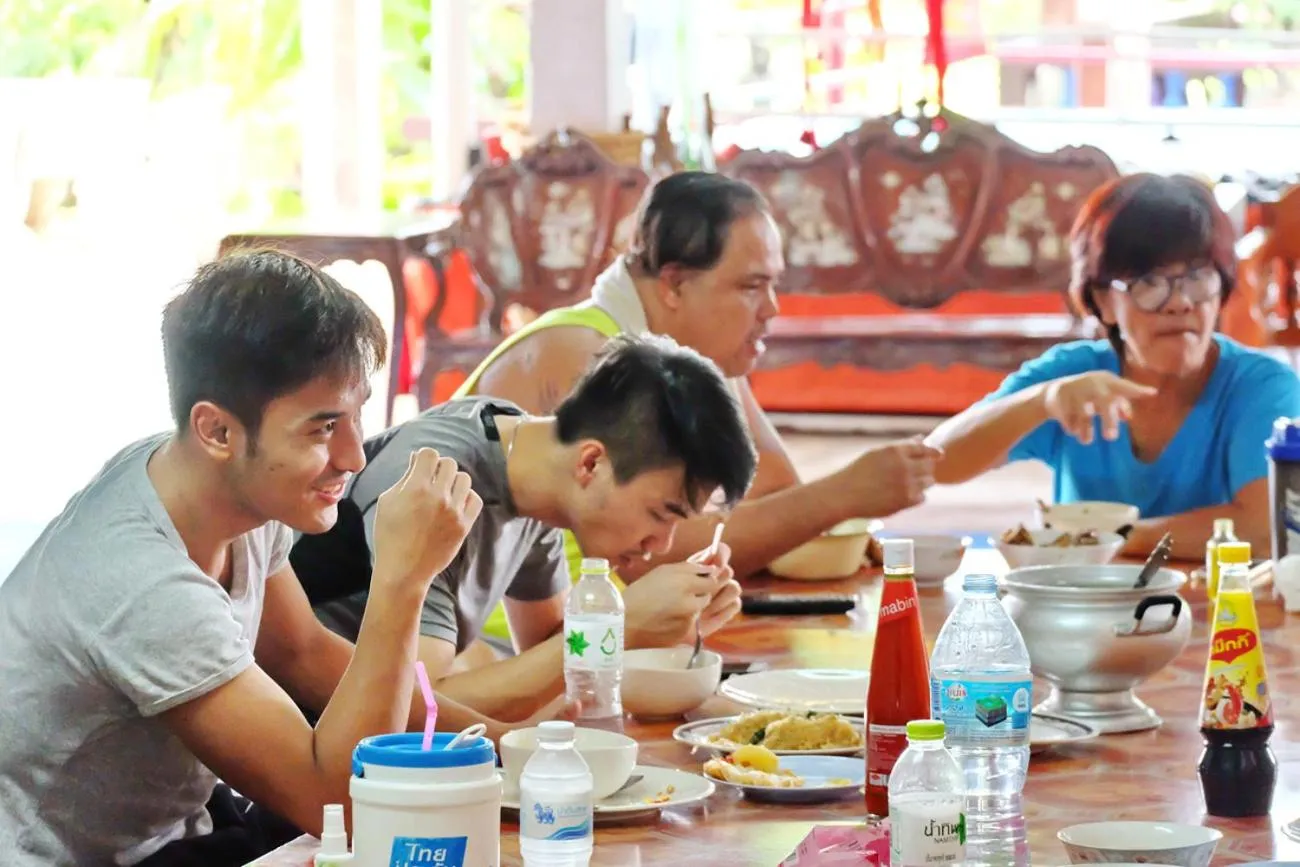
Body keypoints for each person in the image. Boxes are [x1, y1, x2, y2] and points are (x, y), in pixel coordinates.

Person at [0, 250, 500, 866]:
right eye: (322, 428)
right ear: (217, 431)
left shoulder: (225, 489)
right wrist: (401, 580)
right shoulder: (143, 583)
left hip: (183, 830)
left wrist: (508, 745)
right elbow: (336, 804)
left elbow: (302, 652)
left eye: (356, 416)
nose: (354, 457)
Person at [453, 171, 939, 595]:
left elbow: (771, 488)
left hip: (599, 625)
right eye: (750, 286)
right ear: (674, 284)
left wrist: (825, 513)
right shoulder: (586, 353)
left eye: (774, 284)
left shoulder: (698, 356)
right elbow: (649, 554)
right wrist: (842, 496)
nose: (772, 308)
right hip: (492, 644)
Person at [291, 333, 757, 720]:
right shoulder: (437, 486)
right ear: (591, 463)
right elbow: (420, 709)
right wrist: (622, 626)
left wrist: (662, 630)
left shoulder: (531, 468)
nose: (661, 545)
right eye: (661, 514)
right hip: (310, 737)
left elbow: (550, 655)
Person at [927, 173, 1300, 559]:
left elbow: (1266, 529)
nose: (1180, 303)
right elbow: (936, 464)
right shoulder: (1072, 376)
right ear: (1103, 301)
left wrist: (1111, 538)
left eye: (1197, 277)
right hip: (1083, 598)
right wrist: (1040, 402)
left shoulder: (1263, 385)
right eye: (1150, 283)